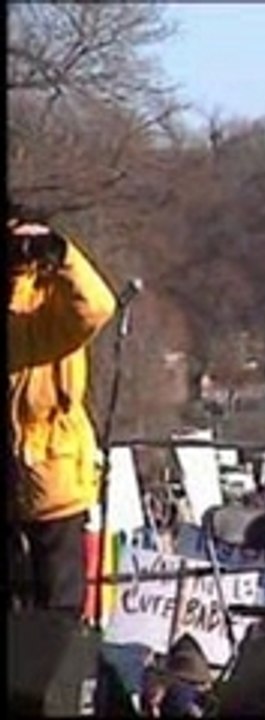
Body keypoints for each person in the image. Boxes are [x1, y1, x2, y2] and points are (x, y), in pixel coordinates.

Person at [7, 205, 117, 619]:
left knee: (58, 611)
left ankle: (55, 680)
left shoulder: (52, 300)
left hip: (52, 477)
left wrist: (61, 252)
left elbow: (97, 306)